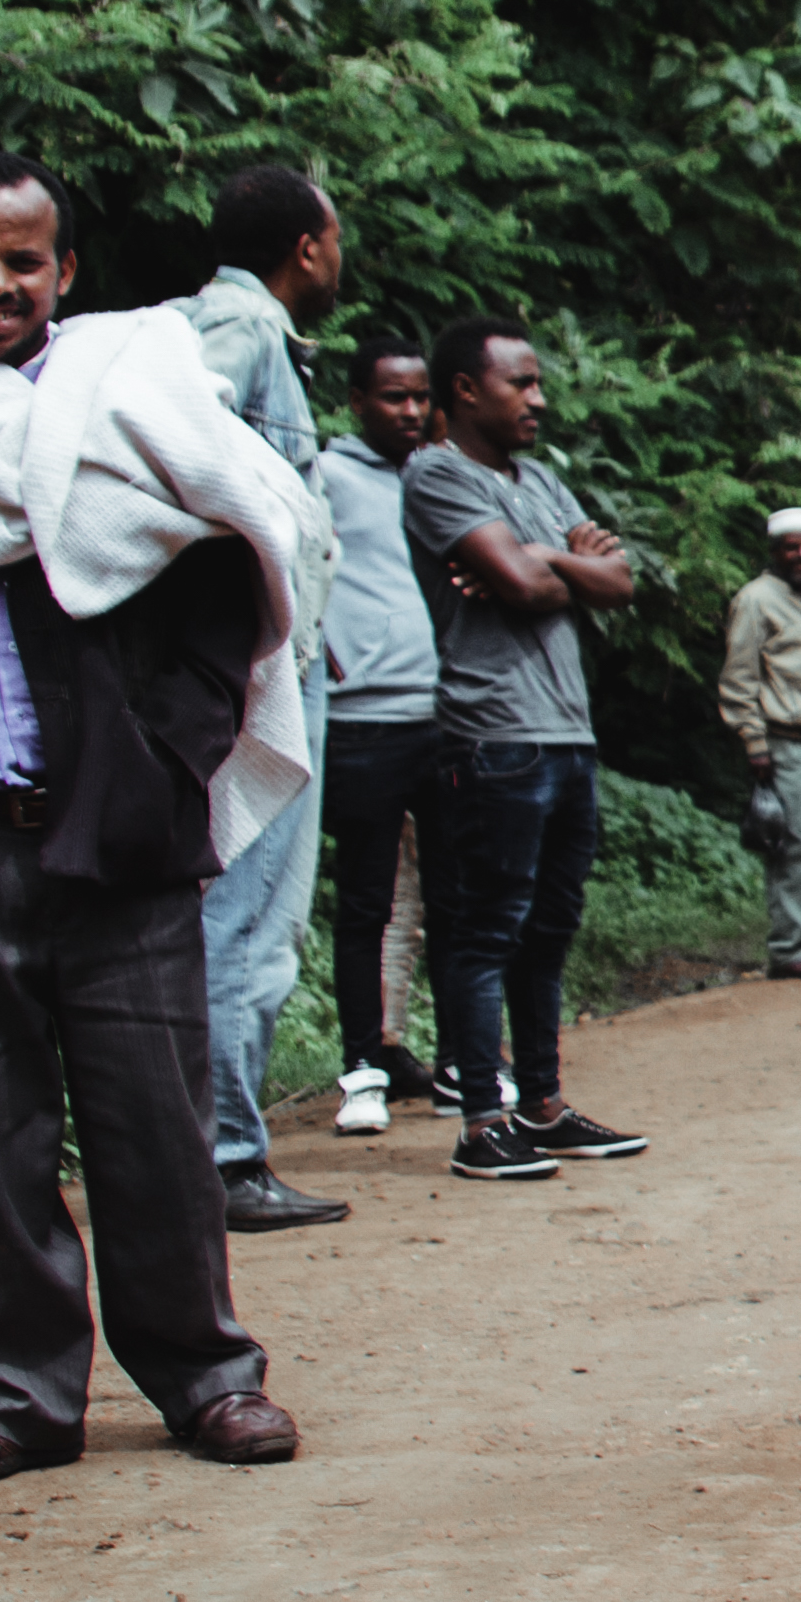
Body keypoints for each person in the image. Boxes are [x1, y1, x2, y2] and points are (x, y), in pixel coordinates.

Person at [0, 151, 307, 1482]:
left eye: (23, 259)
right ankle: (20, 1395)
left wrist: (174, 759)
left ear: (65, 270)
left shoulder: (133, 403)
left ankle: (206, 1377)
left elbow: (240, 562)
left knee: (155, 1127)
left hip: (118, 829)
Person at [405, 317, 648, 1184]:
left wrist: (542, 555)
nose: (539, 398)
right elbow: (518, 585)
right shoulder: (436, 473)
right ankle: (482, 1120)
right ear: (467, 390)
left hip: (567, 733)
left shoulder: (539, 478)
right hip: (495, 733)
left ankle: (542, 1106)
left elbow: (617, 581)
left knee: (548, 929)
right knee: (487, 930)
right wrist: (551, 566)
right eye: (522, 382)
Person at [179, 164, 351, 1230]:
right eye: (336, 240)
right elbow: (178, 442)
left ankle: (216, 1151)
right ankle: (225, 1160)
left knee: (247, 917)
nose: (340, 259)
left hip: (281, 658)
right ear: (306, 248)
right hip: (257, 674)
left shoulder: (257, 336)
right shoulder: (238, 330)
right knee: (249, 919)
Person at [319, 336, 448, 1132]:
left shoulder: (439, 476)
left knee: (454, 894)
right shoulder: (325, 475)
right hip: (362, 718)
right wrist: (328, 654)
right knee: (365, 898)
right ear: (358, 401)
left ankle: (460, 1059)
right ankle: (363, 1064)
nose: (409, 410)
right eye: (393, 396)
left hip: (445, 712)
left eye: (420, 396)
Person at [720, 504, 801, 981]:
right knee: (799, 847)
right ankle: (787, 948)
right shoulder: (755, 600)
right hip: (783, 741)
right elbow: (739, 678)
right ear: (774, 550)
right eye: (791, 547)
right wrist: (753, 742)